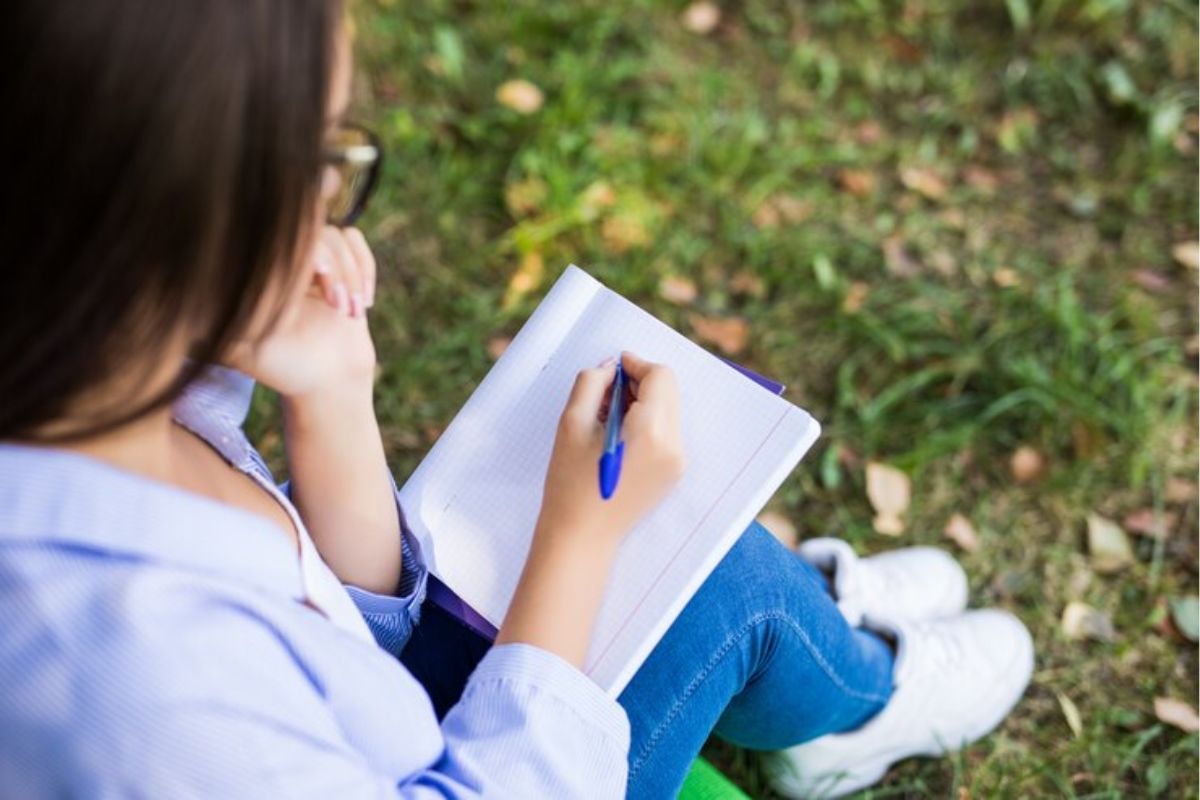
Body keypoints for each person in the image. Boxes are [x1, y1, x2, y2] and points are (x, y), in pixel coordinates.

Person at [0, 2, 1034, 798]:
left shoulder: (90, 385)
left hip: (386, 724)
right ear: (151, 224)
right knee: (731, 597)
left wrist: (332, 398)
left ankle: (823, 642)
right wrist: (575, 540)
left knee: (698, 567)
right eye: (315, 162)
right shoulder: (136, 693)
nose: (328, 202)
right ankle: (860, 705)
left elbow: (338, 629)